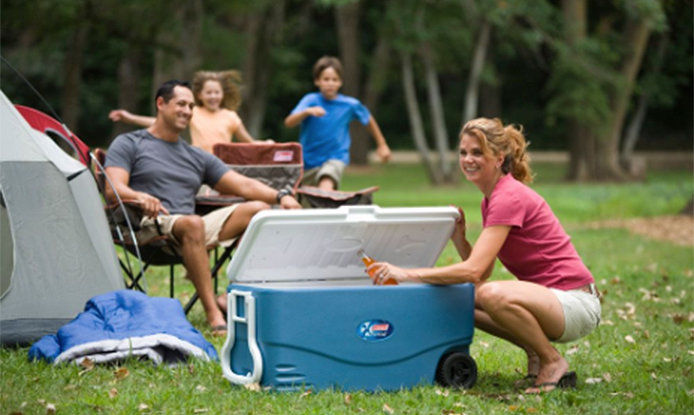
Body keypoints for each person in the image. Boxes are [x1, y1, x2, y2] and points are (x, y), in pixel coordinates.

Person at [368, 118, 601, 393]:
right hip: (552, 302)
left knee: (490, 294)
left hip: (576, 303)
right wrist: (459, 237)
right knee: (463, 298)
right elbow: (483, 270)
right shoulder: (492, 197)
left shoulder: (508, 196)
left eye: (477, 153)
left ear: (498, 157)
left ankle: (551, 360)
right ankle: (536, 352)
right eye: (464, 152)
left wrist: (406, 274)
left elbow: (474, 271)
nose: (468, 159)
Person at [103, 80, 301, 336]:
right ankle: (212, 313)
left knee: (259, 210)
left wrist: (282, 195)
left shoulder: (195, 156)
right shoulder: (130, 143)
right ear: (161, 104)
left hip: (190, 229)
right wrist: (139, 196)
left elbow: (242, 184)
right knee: (193, 223)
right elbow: (113, 188)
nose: (187, 111)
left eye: (191, 106)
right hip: (147, 224)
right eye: (181, 104)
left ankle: (233, 296)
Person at [284, 56, 391, 191]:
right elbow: (289, 122)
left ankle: (328, 197)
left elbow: (368, 119)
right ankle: (333, 204)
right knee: (309, 201)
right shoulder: (310, 100)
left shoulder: (349, 105)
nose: (330, 83)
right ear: (317, 81)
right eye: (326, 79)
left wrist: (382, 144)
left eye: (334, 80)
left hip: (336, 157)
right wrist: (307, 112)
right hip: (309, 162)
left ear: (340, 82)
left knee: (326, 182)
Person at [109, 70, 258, 154]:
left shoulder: (230, 116)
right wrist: (129, 118)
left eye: (216, 92)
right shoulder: (194, 111)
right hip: (199, 160)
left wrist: (267, 144)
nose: (213, 96)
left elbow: (248, 142)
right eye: (209, 93)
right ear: (199, 95)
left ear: (222, 94)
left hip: (223, 165)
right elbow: (159, 122)